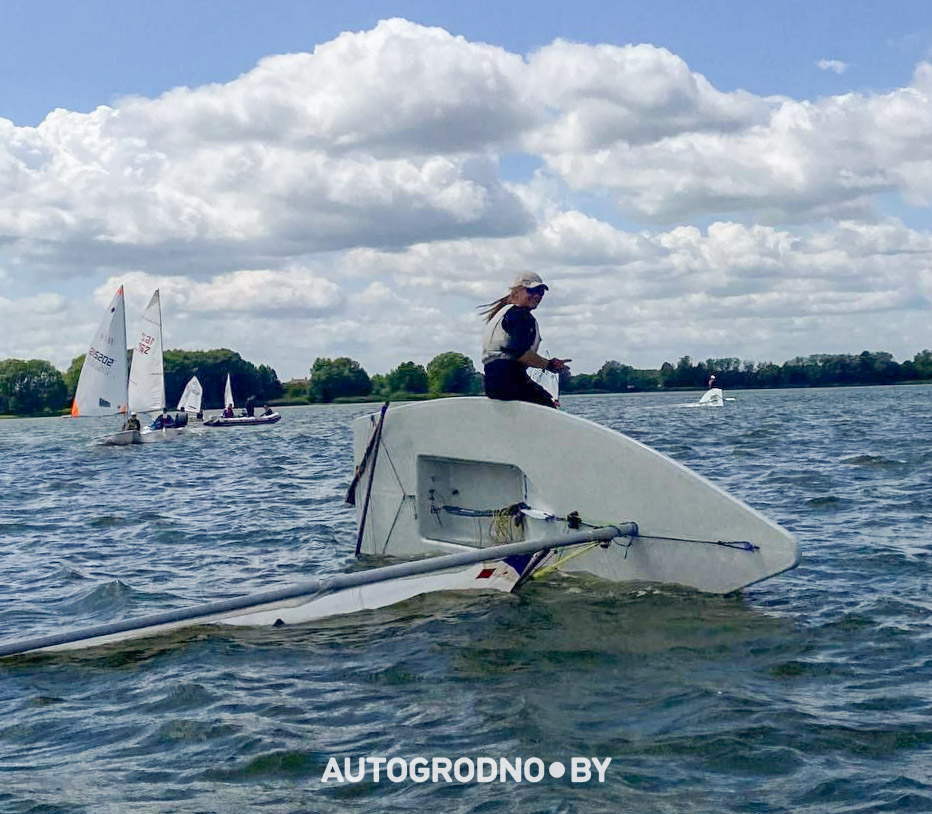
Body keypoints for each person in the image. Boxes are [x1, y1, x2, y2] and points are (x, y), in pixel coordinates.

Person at [479, 271, 570, 408]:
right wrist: (549, 365)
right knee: (547, 406)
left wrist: (550, 363)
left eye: (541, 292)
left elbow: (515, 351)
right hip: (510, 380)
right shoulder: (521, 316)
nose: (537, 296)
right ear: (516, 292)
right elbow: (520, 353)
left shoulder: (504, 313)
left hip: (492, 385)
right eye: (532, 291)